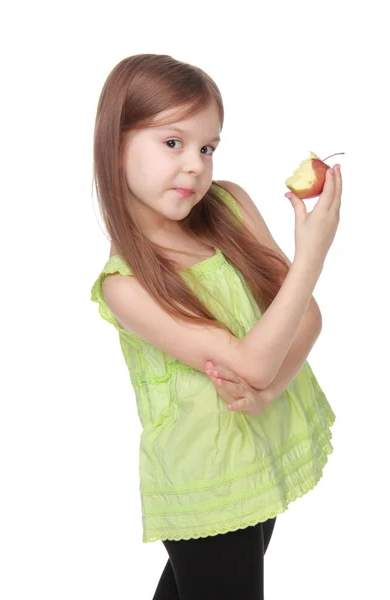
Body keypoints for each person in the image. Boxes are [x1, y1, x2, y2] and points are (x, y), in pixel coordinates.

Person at [90, 53, 342, 600]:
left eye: (207, 148)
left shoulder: (229, 204)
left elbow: (307, 315)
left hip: (256, 454)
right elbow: (251, 360)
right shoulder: (125, 285)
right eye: (173, 143)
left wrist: (270, 390)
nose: (195, 166)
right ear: (116, 144)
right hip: (204, 482)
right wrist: (311, 258)